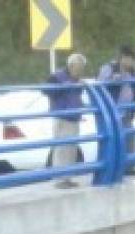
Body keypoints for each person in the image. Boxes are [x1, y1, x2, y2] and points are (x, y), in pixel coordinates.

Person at [99, 46, 135, 176]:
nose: (131, 62)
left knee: (129, 137)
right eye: (129, 59)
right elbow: (100, 83)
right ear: (122, 58)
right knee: (114, 140)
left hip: (127, 111)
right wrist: (113, 80)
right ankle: (113, 167)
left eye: (133, 60)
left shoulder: (132, 71)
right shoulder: (109, 68)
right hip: (112, 112)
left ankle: (129, 167)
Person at [46, 53, 87, 189]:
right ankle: (60, 179)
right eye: (79, 68)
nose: (80, 71)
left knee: (71, 149)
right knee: (62, 149)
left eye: (82, 68)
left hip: (74, 118)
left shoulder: (77, 79)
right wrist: (68, 85)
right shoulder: (57, 76)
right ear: (71, 66)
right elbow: (47, 90)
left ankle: (68, 178)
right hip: (62, 118)